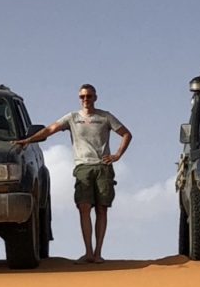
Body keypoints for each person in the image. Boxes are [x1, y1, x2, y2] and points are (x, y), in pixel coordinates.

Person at [15, 84, 132, 263]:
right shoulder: (72, 117)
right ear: (79, 98)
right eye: (83, 97)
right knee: (84, 208)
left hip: (103, 166)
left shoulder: (104, 116)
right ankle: (88, 252)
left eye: (89, 96)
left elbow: (126, 134)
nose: (86, 100)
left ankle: (98, 252)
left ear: (95, 97)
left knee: (102, 208)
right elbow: (50, 129)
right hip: (83, 167)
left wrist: (117, 155)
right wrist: (28, 140)